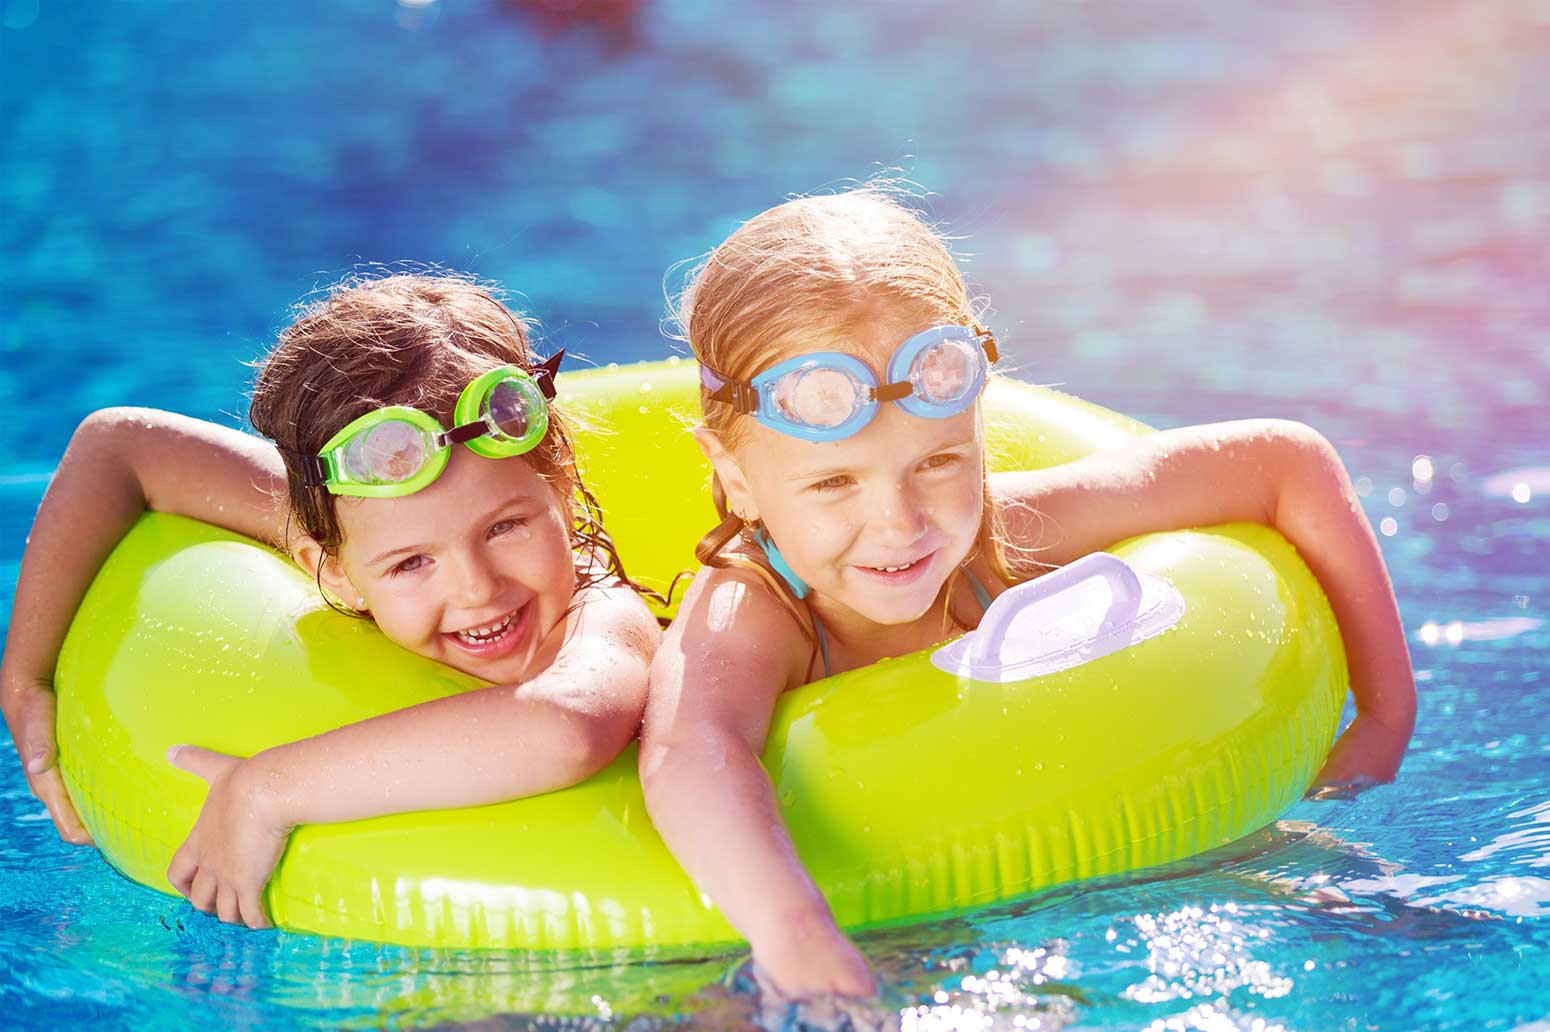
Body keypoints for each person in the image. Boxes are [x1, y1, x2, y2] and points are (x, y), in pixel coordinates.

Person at [636, 188, 1417, 1001]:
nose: (900, 526)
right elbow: (690, 748)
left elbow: (1286, 464)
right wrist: (794, 932)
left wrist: (1386, 715)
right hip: (858, 917)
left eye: (937, 463)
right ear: (737, 480)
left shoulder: (1003, 535)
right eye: (834, 482)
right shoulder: (754, 607)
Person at [0, 272, 661, 930]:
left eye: (505, 527)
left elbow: (567, 727)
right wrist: (24, 680)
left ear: (562, 490)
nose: (476, 588)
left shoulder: (600, 616)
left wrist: (266, 790)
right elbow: (121, 445)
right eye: (412, 563)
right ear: (332, 573)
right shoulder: (358, 518)